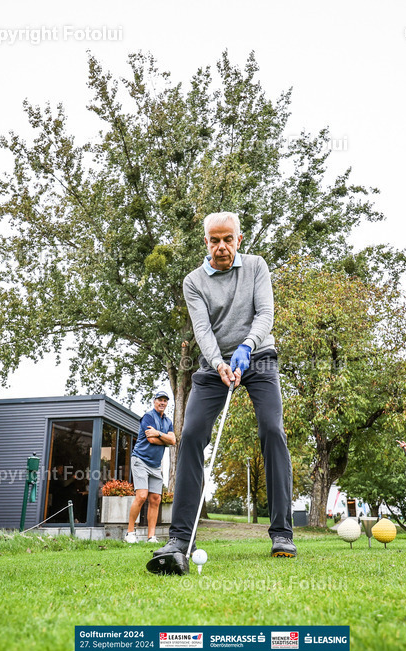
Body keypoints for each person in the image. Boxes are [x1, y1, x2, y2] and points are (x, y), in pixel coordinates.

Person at [149, 211, 295, 572]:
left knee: (272, 430)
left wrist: (246, 347)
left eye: (228, 239)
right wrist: (219, 364)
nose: (221, 247)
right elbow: (202, 331)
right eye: (214, 240)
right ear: (206, 242)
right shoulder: (194, 281)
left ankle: (282, 532)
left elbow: (265, 315)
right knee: (192, 435)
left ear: (239, 240)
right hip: (214, 365)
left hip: (258, 357)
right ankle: (181, 537)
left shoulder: (257, 267)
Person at [124, 390, 176, 544]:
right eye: (159, 400)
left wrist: (159, 434)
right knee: (141, 496)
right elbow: (151, 439)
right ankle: (130, 533)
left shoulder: (168, 421)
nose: (162, 403)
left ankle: (151, 537)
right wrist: (164, 438)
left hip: (155, 465)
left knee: (155, 499)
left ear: (167, 404)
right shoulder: (148, 417)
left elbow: (173, 441)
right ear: (154, 402)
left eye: (165, 400)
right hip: (140, 459)